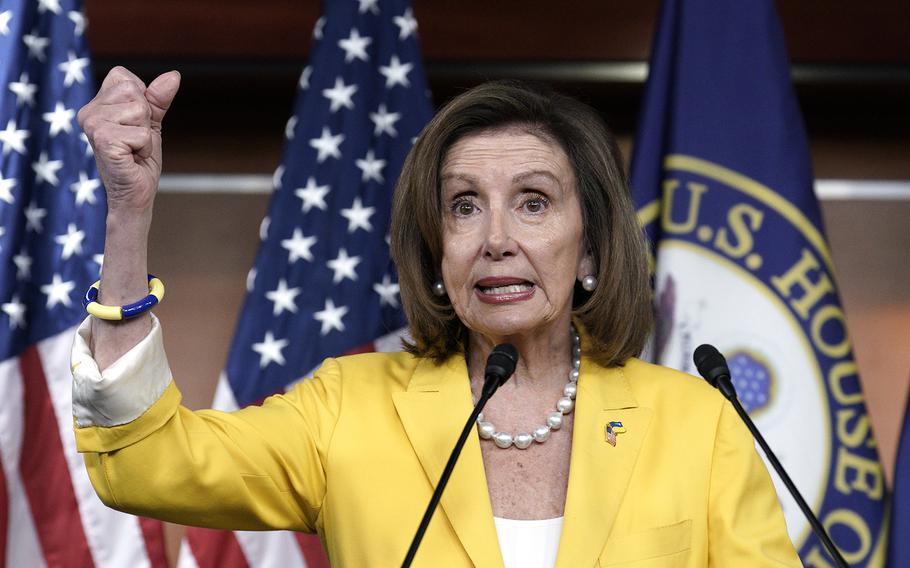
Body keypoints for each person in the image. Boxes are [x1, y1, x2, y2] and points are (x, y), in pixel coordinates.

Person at [72, 67, 801, 567]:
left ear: (591, 251)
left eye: (534, 202)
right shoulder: (349, 407)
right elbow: (143, 465)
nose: (496, 239)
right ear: (437, 255)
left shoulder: (698, 426)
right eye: (463, 207)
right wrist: (128, 215)